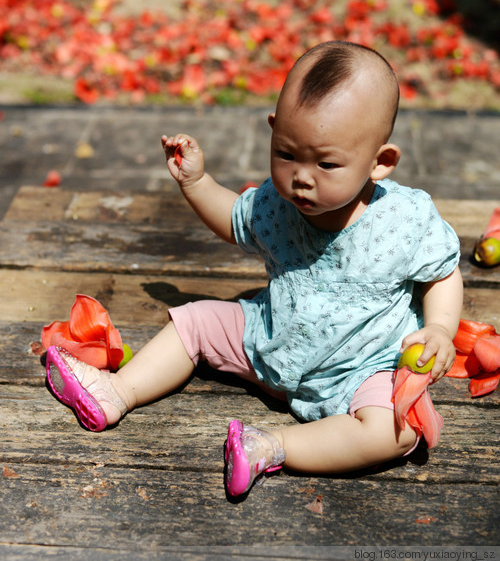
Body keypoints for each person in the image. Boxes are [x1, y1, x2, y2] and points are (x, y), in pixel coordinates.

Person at [45, 40, 463, 497]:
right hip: (270, 339)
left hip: (363, 365)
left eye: (326, 163)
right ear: (274, 130)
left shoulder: (404, 219)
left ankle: (271, 445)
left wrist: (441, 328)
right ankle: (117, 393)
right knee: (197, 321)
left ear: (379, 162)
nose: (302, 176)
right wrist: (198, 183)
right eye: (286, 154)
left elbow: (441, 273)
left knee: (397, 430)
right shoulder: (275, 202)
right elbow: (233, 220)